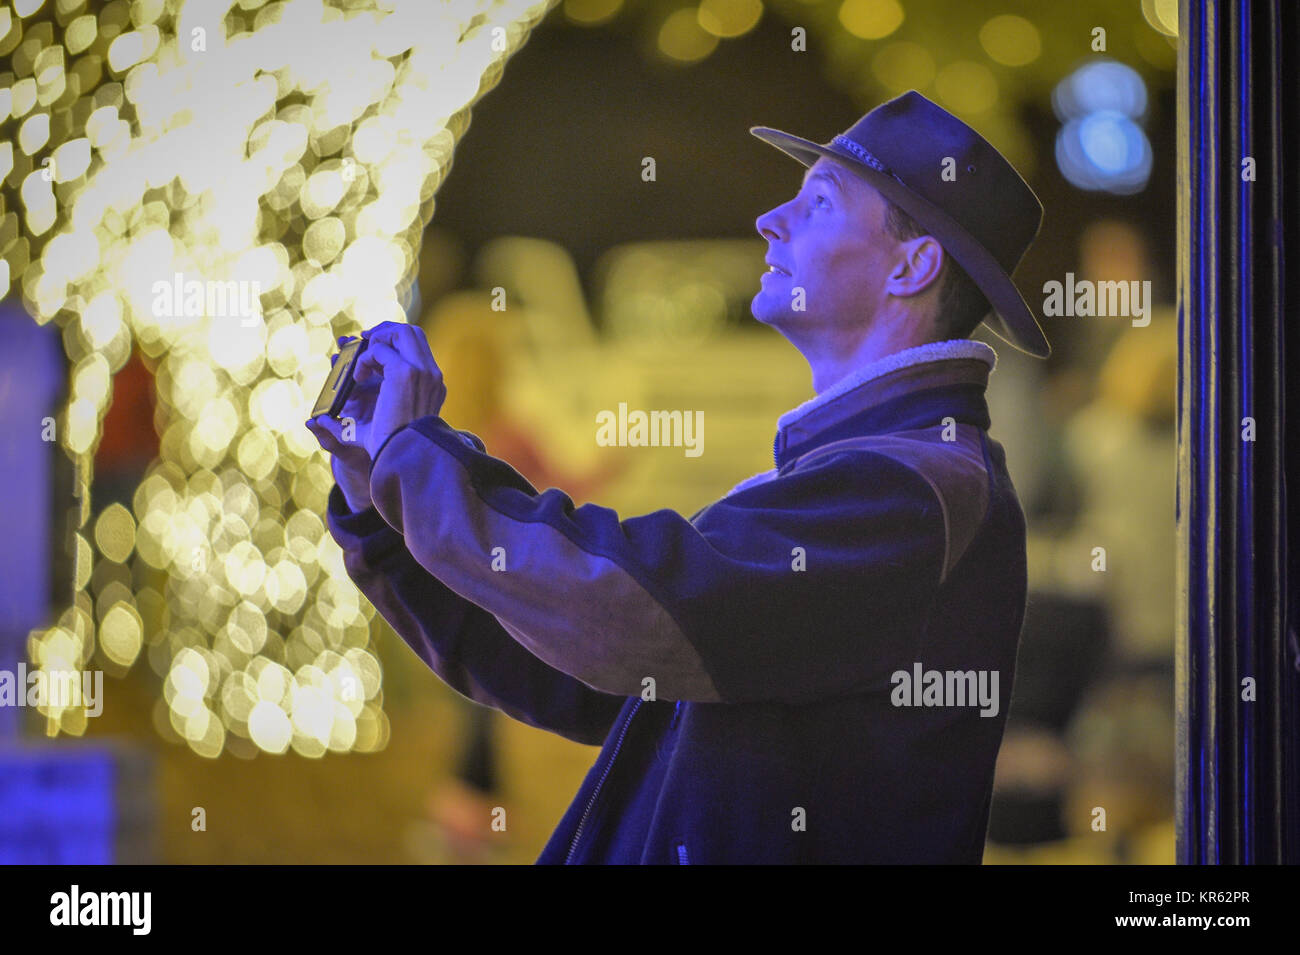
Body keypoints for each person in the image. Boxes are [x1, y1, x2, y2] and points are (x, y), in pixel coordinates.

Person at [307, 90, 1052, 863]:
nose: (773, 219)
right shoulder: (884, 471)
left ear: (913, 263)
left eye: (820, 202)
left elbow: (632, 610)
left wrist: (414, 458)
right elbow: (590, 669)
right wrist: (378, 502)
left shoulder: (914, 487)